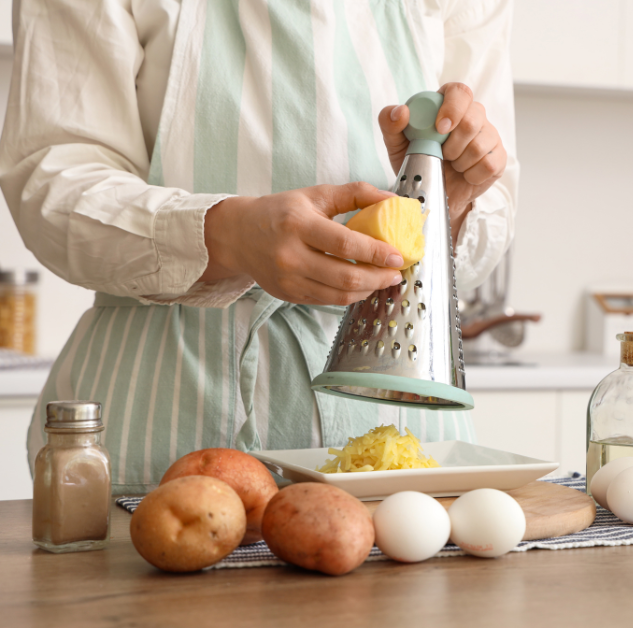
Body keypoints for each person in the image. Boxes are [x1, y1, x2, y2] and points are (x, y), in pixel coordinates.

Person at [0, 0, 518, 493]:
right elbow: (51, 183)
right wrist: (228, 234)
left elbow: (487, 229)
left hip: (397, 429)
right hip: (168, 423)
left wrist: (448, 204)